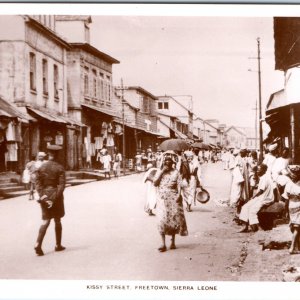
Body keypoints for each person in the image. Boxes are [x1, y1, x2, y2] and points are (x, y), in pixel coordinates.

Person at [34, 145, 66, 256]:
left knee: (45, 221)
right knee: (57, 220)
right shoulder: (59, 168)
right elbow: (61, 186)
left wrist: (43, 197)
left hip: (44, 196)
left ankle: (38, 243)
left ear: (49, 154)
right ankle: (58, 245)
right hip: (56, 196)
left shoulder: (41, 167)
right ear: (57, 155)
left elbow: (37, 184)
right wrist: (53, 199)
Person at [153, 153, 188, 252]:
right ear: (163, 162)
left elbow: (179, 185)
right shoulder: (160, 171)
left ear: (172, 162)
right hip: (161, 198)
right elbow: (155, 183)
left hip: (173, 198)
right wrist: (161, 172)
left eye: (169, 161)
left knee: (172, 220)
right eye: (166, 161)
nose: (167, 162)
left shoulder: (176, 172)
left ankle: (173, 242)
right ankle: (163, 243)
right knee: (162, 220)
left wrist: (179, 195)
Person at [238, 164, 274, 233]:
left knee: (252, 210)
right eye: (257, 169)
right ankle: (245, 226)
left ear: (264, 170)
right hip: (261, 197)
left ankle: (258, 228)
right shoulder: (264, 177)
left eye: (259, 169)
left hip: (265, 198)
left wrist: (253, 197)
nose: (257, 171)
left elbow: (261, 191)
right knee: (245, 207)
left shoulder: (265, 178)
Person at [282, 165, 300, 254]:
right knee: (297, 227)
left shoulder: (289, 184)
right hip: (296, 205)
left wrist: (285, 210)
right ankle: (293, 247)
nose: (293, 175)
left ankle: (296, 247)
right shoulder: (294, 184)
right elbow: (286, 198)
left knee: (295, 226)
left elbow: (286, 198)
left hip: (291, 205)